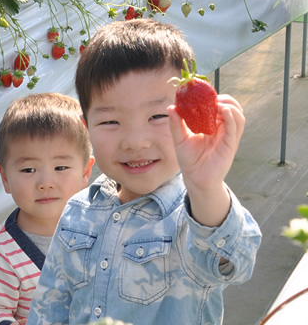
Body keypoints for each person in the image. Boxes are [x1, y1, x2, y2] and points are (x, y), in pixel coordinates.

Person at [27, 19, 262, 325]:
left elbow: (236, 263)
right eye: (111, 122)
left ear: (187, 116)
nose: (135, 142)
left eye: (157, 116)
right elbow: (50, 307)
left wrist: (206, 187)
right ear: (87, 129)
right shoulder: (77, 212)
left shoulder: (191, 217)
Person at [0, 93, 96, 325]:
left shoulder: (104, 223)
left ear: (86, 171)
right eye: (28, 170)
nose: (46, 182)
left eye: (61, 167)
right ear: (5, 177)